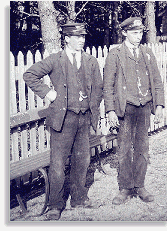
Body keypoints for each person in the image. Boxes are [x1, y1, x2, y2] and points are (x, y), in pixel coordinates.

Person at [23, 23, 103, 220]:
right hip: (63, 120)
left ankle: (78, 198)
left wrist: (93, 111)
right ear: (66, 38)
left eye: (83, 36)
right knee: (58, 163)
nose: (82, 40)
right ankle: (55, 205)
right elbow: (29, 75)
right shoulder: (55, 60)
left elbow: (98, 89)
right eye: (77, 37)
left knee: (82, 160)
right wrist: (49, 93)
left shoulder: (90, 61)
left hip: (84, 118)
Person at [103, 17, 164, 205]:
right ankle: (125, 188)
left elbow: (157, 80)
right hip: (125, 108)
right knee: (123, 149)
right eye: (134, 33)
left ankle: (140, 186)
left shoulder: (147, 53)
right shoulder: (115, 54)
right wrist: (111, 110)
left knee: (142, 148)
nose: (138, 37)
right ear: (124, 33)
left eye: (140, 33)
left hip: (144, 106)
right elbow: (108, 85)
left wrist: (159, 105)